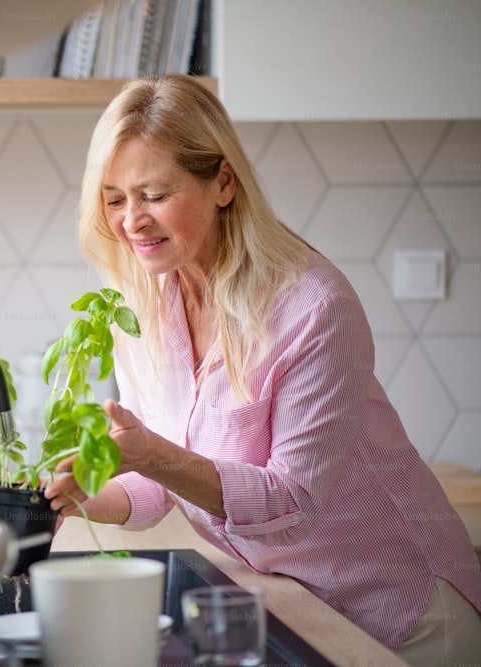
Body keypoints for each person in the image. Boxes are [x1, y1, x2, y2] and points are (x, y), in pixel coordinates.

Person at [43, 74, 481, 665]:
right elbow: (156, 481)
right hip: (290, 600)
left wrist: (152, 454)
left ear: (223, 182)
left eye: (154, 194)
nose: (131, 222)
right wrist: (83, 495)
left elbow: (293, 504)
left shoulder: (312, 306)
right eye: (115, 200)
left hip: (404, 614)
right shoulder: (142, 303)